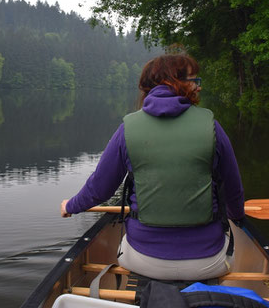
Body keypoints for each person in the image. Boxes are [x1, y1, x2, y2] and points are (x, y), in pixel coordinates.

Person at [60, 53, 245, 281]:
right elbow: (233, 190)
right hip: (208, 262)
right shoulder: (213, 127)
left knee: (125, 244)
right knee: (228, 250)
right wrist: (237, 216)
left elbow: (100, 189)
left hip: (144, 259)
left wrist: (71, 205)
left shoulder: (127, 129)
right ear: (173, 82)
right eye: (194, 81)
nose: (199, 88)